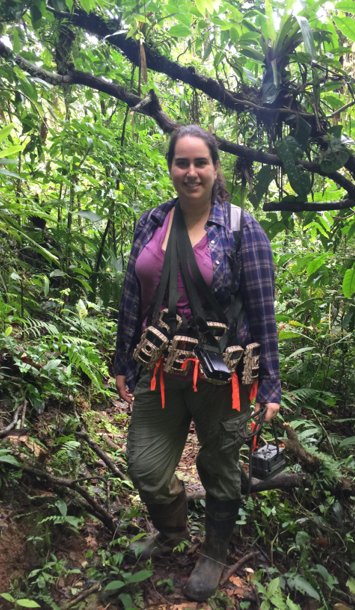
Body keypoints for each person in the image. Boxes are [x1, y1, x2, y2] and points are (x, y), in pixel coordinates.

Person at [114, 125, 281, 602]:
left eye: (199, 162)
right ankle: (171, 530)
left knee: (221, 466)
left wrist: (270, 384)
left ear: (215, 168)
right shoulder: (151, 222)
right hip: (160, 370)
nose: (190, 172)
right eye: (181, 162)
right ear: (171, 167)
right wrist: (123, 360)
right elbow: (132, 296)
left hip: (222, 378)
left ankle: (214, 551)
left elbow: (262, 308)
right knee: (145, 466)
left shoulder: (240, 228)